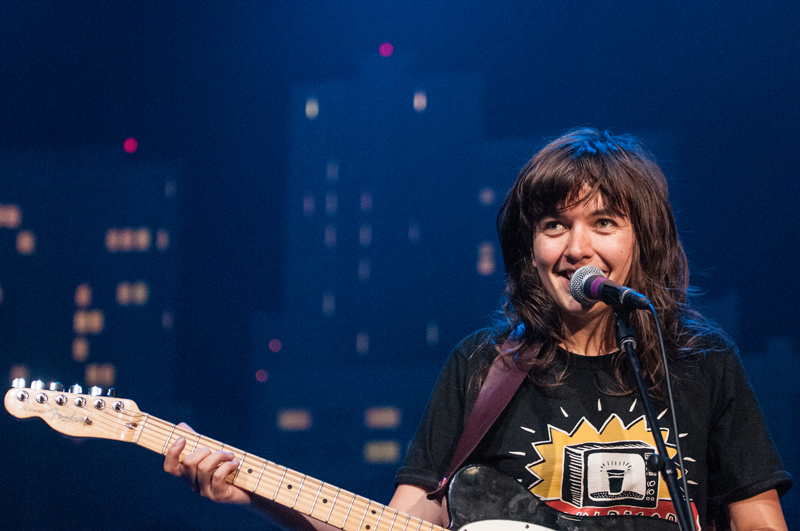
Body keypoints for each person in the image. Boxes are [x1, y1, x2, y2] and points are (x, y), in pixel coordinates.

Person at [164, 128, 791, 530]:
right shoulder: (486, 365)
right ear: (531, 251)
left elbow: (759, 520)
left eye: (604, 223)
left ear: (643, 242)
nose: (577, 248)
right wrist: (257, 493)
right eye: (553, 226)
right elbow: (395, 527)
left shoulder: (701, 361)